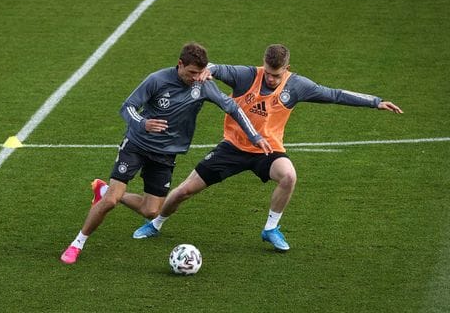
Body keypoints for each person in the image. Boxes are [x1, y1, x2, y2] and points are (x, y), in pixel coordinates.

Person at [133, 43, 403, 251]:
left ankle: (271, 228)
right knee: (183, 191)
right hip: (233, 147)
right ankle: (155, 223)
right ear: (263, 64)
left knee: (289, 175)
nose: (272, 79)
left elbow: (334, 95)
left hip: (267, 150)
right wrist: (206, 71)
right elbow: (216, 67)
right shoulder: (246, 76)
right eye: (269, 73)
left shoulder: (297, 86)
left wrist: (374, 101)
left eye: (277, 74)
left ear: (286, 68)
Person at [60, 42, 272, 264]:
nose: (196, 77)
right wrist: (144, 123)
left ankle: (104, 190)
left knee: (151, 211)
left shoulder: (204, 84)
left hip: (165, 155)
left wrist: (255, 136)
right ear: (180, 64)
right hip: (137, 145)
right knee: (111, 201)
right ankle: (77, 243)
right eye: (192, 72)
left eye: (200, 72)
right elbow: (127, 107)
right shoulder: (157, 80)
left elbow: (233, 108)